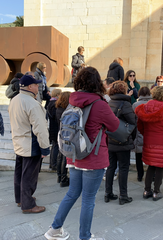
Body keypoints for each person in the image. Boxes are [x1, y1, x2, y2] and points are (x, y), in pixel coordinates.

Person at [44, 67, 119, 240]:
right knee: (88, 200)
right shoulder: (100, 104)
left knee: (72, 193)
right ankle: (84, 236)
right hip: (93, 157)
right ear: (97, 83)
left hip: (74, 154)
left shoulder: (73, 100)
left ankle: (54, 229)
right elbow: (114, 126)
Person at [9, 74, 50, 214]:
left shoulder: (15, 100)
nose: (38, 87)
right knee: (29, 176)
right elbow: (40, 128)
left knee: (19, 173)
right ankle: (28, 205)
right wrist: (45, 147)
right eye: (36, 85)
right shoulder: (31, 103)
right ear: (29, 87)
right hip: (30, 144)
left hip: (19, 142)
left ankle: (20, 198)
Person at [105, 81, 137, 205]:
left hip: (110, 139)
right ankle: (123, 195)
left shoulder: (109, 102)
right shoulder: (125, 103)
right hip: (122, 141)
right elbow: (133, 123)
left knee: (111, 167)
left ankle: (108, 193)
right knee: (123, 168)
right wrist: (131, 139)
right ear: (123, 90)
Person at [132, 87, 152, 182]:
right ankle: (151, 175)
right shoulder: (153, 104)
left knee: (138, 156)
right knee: (151, 156)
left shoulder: (135, 105)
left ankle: (140, 175)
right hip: (151, 133)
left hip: (139, 132)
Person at [55, 91, 71, 187]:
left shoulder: (58, 108)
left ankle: (60, 176)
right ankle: (63, 178)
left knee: (60, 156)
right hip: (65, 134)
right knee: (64, 156)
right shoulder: (65, 111)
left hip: (60, 133)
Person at [47, 89, 62, 171]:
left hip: (53, 128)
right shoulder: (54, 104)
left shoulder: (50, 103)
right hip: (55, 128)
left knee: (54, 146)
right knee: (55, 146)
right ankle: (54, 164)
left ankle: (52, 163)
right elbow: (54, 116)